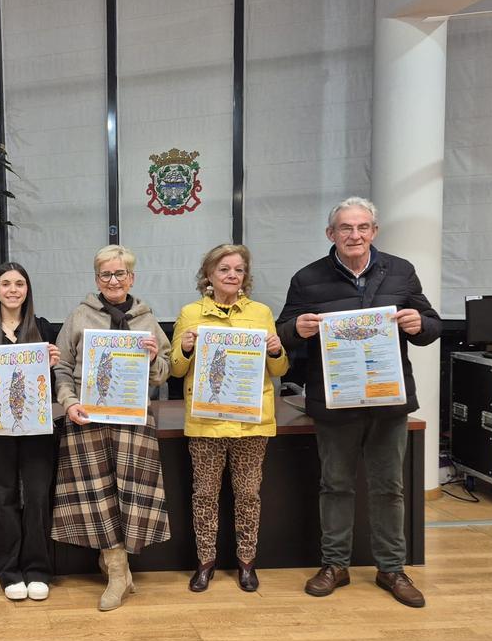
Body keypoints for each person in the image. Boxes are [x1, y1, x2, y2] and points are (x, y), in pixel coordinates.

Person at [276, 196, 441, 608]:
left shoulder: (401, 271)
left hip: (388, 400)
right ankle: (335, 565)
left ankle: (392, 568)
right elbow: (282, 332)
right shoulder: (307, 278)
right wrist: (297, 328)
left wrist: (420, 324)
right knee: (335, 485)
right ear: (330, 234)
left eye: (363, 227)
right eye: (346, 228)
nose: (355, 235)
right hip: (335, 401)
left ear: (374, 231)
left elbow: (432, 325)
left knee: (389, 487)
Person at [52, 245, 172, 611]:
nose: (113, 280)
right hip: (87, 421)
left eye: (120, 273)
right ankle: (118, 573)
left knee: (132, 496)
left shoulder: (147, 319)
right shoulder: (79, 316)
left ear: (131, 278)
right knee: (97, 496)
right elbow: (61, 368)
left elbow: (164, 373)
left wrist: (154, 357)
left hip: (133, 421)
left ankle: (117, 566)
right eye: (106, 274)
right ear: (96, 279)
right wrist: (69, 402)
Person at [170, 244, 288, 594]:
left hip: (251, 422)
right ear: (208, 274)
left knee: (249, 494)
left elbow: (280, 369)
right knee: (205, 494)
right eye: (224, 269)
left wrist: (276, 350)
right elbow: (175, 368)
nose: (232, 275)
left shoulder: (262, 313)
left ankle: (247, 563)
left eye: (238, 269)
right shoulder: (190, 313)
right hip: (206, 422)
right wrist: (186, 348)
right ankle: (205, 562)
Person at [0, 262, 60, 601]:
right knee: (3, 497)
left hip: (38, 427)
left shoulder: (44, 328)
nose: (13, 290)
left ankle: (38, 570)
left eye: (19, 283)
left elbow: (53, 386)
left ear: (27, 290)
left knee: (37, 496)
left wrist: (53, 365)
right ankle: (9, 572)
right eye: (6, 284)